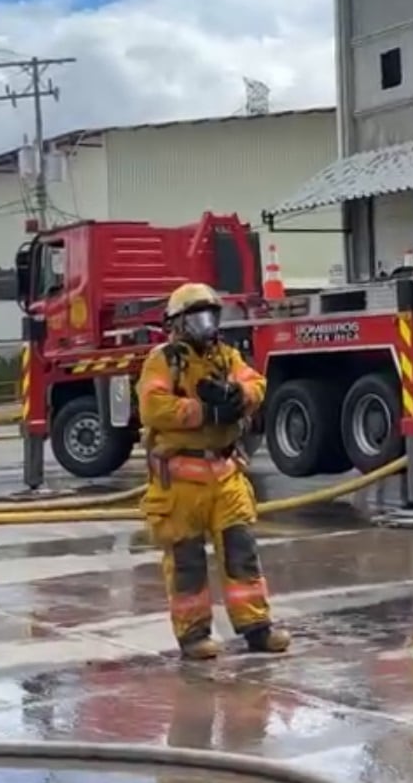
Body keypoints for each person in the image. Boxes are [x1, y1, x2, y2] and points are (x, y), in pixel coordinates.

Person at [135, 282, 289, 660]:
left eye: (211, 315)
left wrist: (241, 397)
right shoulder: (163, 360)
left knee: (242, 554)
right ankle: (193, 635)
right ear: (178, 322)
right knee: (187, 563)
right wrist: (205, 412)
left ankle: (257, 628)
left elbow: (256, 382)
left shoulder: (226, 356)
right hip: (181, 481)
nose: (207, 324)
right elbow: (153, 407)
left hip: (225, 472)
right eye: (197, 316)